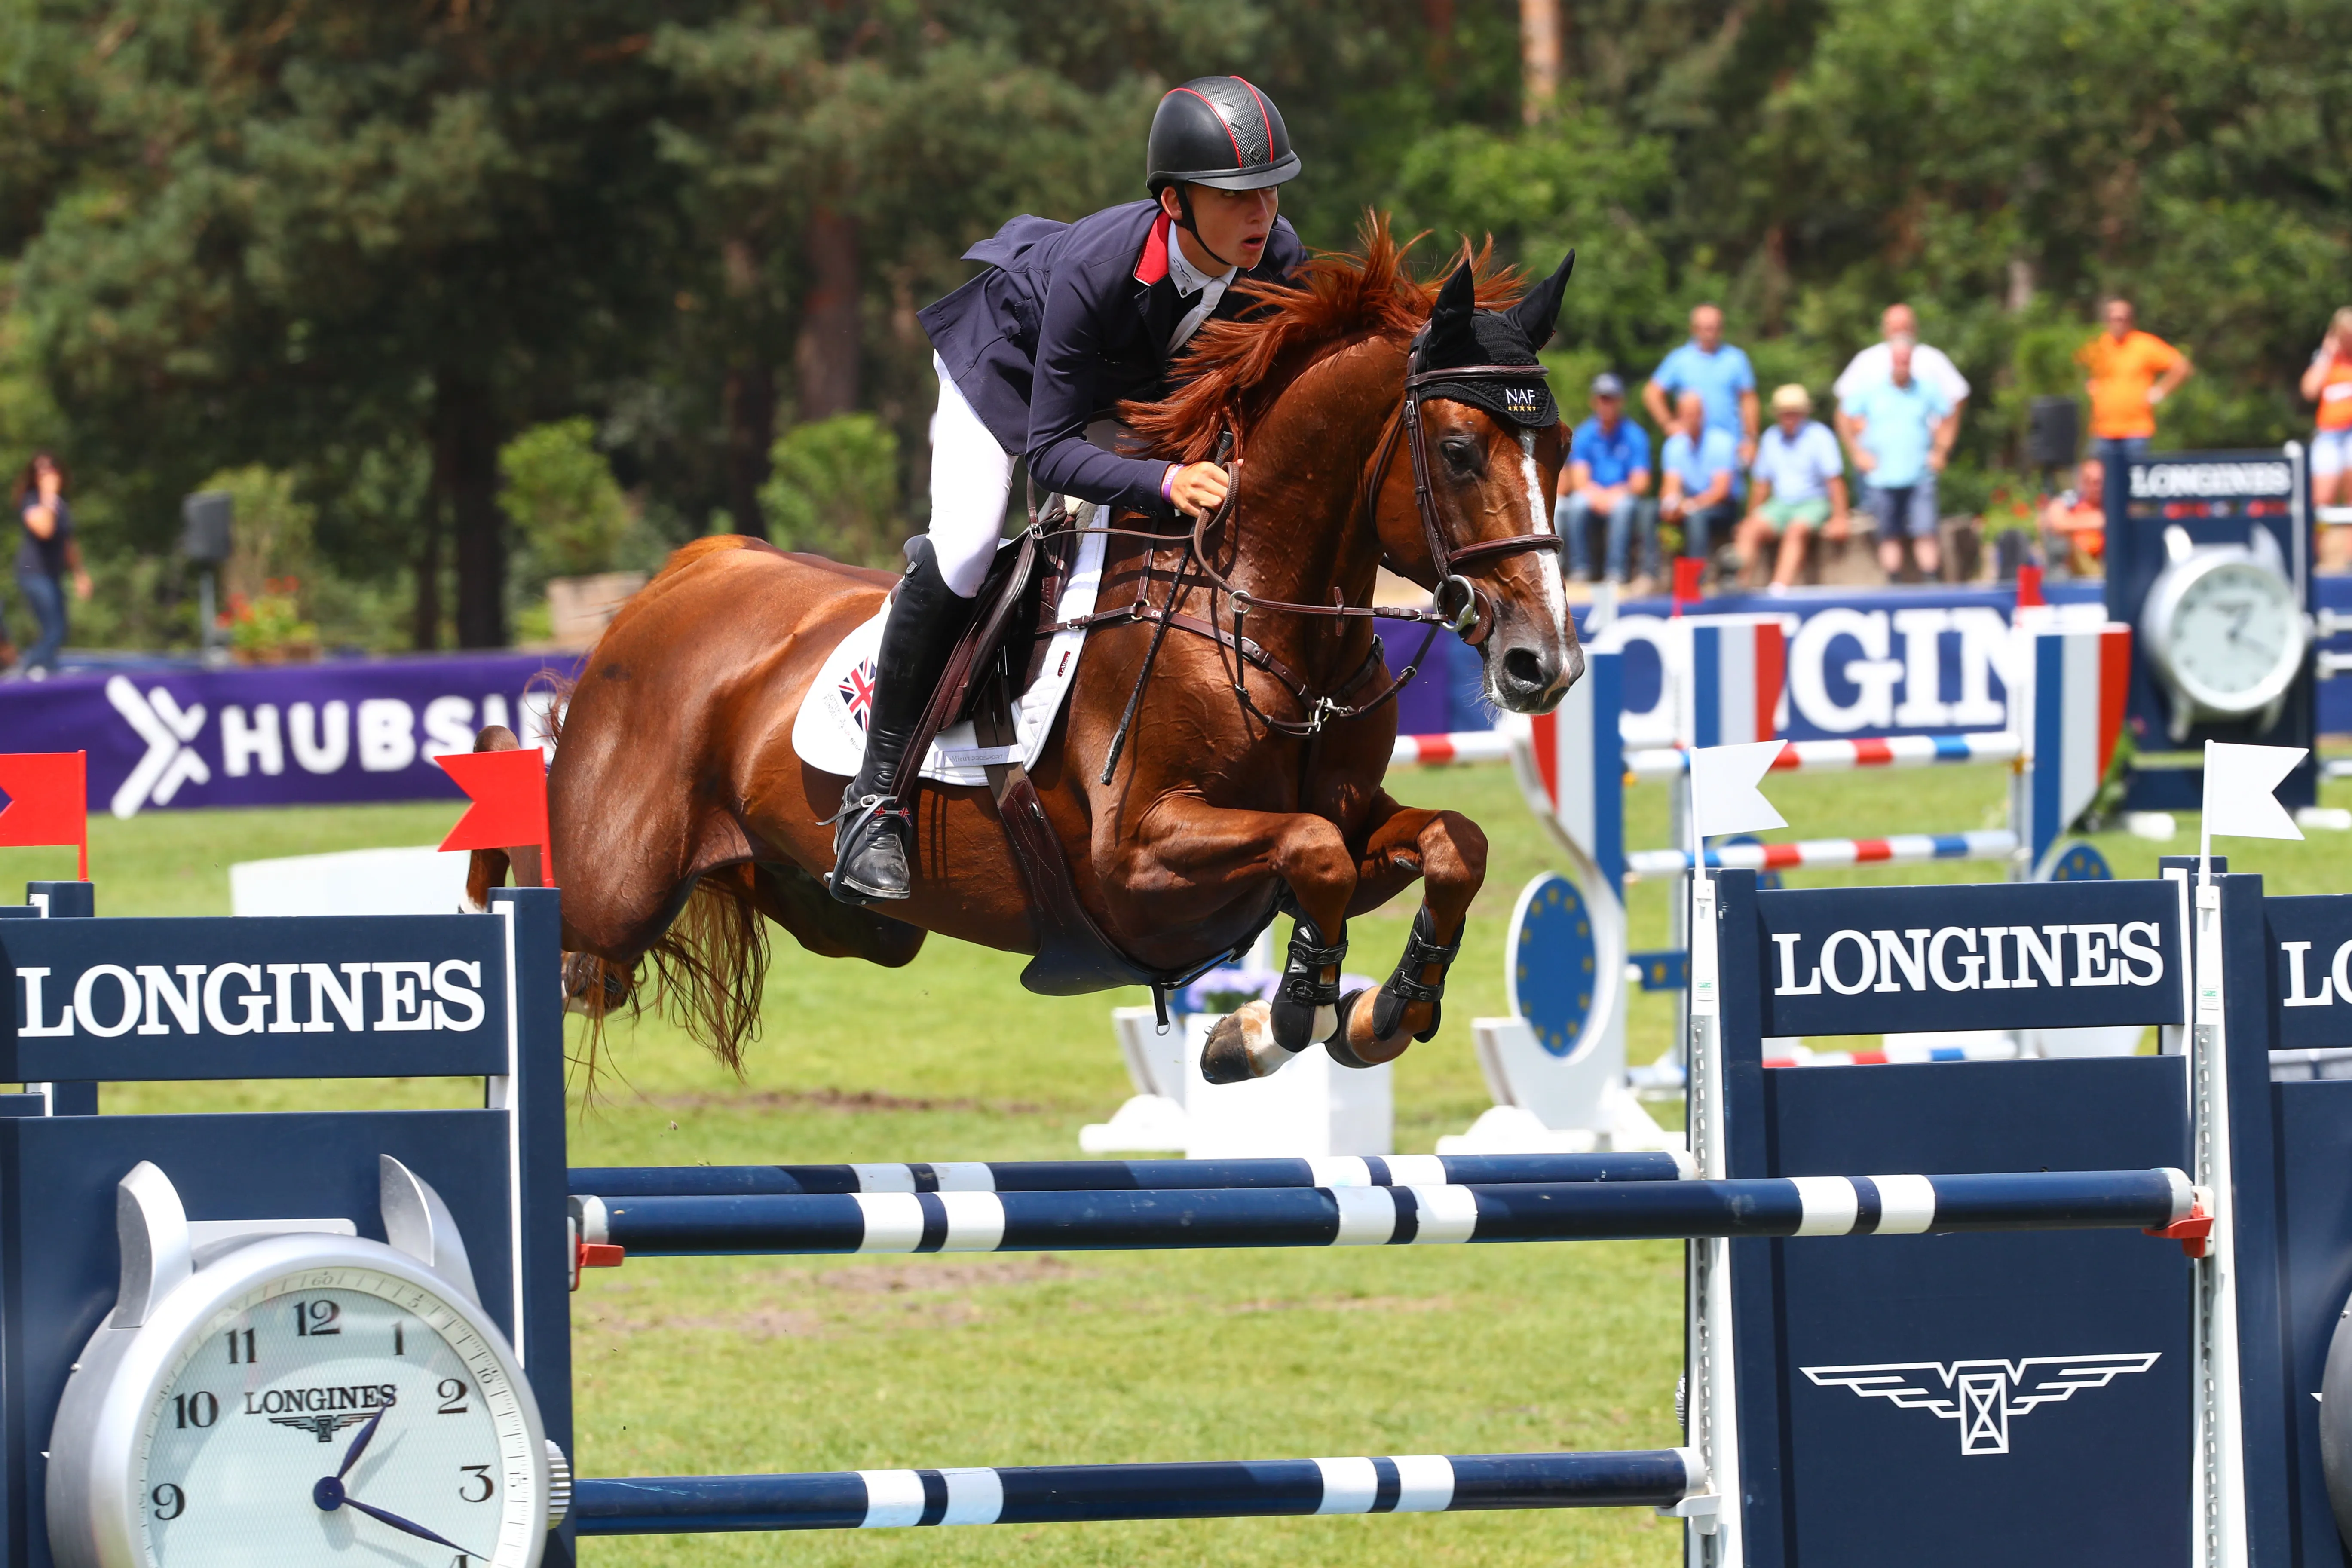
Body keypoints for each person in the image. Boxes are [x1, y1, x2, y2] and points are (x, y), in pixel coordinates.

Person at [823, 77, 1308, 904]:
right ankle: (872, 804)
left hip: (1121, 395)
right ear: (1174, 202)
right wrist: (1161, 479)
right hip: (1005, 372)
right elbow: (1049, 454)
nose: (1260, 213)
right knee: (971, 547)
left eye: (1269, 190)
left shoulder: (1279, 260)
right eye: (1235, 197)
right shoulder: (1098, 266)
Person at [1838, 339, 1955, 582]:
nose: (1902, 364)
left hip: (1920, 474)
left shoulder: (1927, 389)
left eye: (1906, 359)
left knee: (1925, 531)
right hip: (1882, 477)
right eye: (1898, 359)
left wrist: (1941, 450)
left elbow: (1949, 416)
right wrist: (1857, 453)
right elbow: (1844, 416)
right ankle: (1895, 583)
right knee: (1888, 534)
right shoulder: (1872, 390)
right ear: (1890, 362)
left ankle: (1931, 582)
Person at [1737, 385, 1847, 591]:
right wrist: (1752, 516)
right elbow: (1761, 484)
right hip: (1780, 503)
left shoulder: (1820, 436)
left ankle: (1779, 589)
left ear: (1803, 413)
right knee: (1748, 529)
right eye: (1784, 412)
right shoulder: (1771, 438)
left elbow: (1835, 481)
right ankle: (1737, 585)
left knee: (1796, 530)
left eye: (1793, 412)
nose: (1789, 417)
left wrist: (1840, 518)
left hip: (1814, 501)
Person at [2076, 297, 2191, 482]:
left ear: (2131, 321)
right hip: (2102, 430)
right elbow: (2077, 367)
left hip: (2136, 430)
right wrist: (2089, 385)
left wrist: (2159, 392)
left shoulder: (2144, 345)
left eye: (2123, 319)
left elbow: (2182, 367)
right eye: (2114, 319)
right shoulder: (2098, 346)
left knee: (2134, 484)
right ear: (2107, 321)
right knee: (2095, 482)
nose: (2119, 323)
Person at [1558, 371, 1654, 587]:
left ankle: (1616, 572)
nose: (1606, 404)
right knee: (1576, 505)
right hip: (1593, 494)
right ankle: (1580, 569)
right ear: (1595, 401)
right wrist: (1598, 496)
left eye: (1611, 398)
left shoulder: (1635, 435)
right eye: (1602, 398)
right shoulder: (1585, 433)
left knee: (1623, 508)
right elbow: (1580, 480)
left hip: (1623, 495)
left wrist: (1614, 494)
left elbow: (1641, 483)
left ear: (1620, 401)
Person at [1642, 304, 1759, 465]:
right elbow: (1652, 393)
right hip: (1690, 449)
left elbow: (1748, 400)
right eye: (1705, 329)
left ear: (1722, 329)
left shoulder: (1736, 359)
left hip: (1729, 447)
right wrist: (1669, 424)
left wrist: (1751, 438)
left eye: (1714, 328)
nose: (1710, 334)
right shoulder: (1680, 360)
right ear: (1694, 330)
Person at [15, 451, 91, 679]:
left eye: (50, 469)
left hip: (53, 575)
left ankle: (46, 670)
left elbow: (68, 544)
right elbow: (45, 530)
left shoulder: (61, 504)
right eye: (40, 471)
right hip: (33, 573)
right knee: (53, 630)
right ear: (34, 476)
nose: (46, 475)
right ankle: (26, 670)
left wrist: (80, 574)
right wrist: (47, 495)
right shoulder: (31, 501)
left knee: (61, 630)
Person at [1833, 303, 1969, 424]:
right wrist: (1862, 436)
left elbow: (1958, 394)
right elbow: (1844, 399)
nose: (1900, 333)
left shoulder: (1932, 358)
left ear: (1915, 329)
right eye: (1895, 328)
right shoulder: (1867, 360)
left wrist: (1942, 442)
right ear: (1884, 330)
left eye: (1905, 327)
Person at [1657, 390, 1741, 573]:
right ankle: (1652, 575)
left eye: (1694, 414)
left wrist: (1690, 506)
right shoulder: (1674, 445)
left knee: (1696, 517)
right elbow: (1671, 486)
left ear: (1703, 415)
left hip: (1722, 508)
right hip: (1690, 504)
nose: (1690, 419)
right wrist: (1671, 505)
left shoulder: (1722, 442)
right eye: (1685, 414)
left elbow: (1721, 492)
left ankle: (1696, 577)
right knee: (1650, 512)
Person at [2300, 307, 2352, 572]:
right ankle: (2314, 556)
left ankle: (2350, 559)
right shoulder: (2328, 358)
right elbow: (2309, 390)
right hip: (2330, 435)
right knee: (2321, 498)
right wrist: (2328, 354)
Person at [2041, 457, 2107, 575]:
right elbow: (2056, 523)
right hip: (2074, 564)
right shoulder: (2070, 499)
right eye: (2089, 481)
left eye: (2099, 482)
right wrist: (2097, 521)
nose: (2095, 487)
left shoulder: (2113, 502)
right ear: (2081, 482)